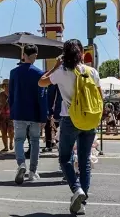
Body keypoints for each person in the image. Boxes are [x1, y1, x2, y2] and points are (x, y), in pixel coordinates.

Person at [38, 39, 103, 215]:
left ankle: (77, 189)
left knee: (65, 158)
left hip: (70, 119)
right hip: (90, 120)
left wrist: (55, 65)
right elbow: (100, 97)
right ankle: (82, 203)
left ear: (64, 55)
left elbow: (41, 82)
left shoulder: (62, 72)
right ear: (81, 53)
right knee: (85, 161)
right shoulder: (92, 72)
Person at [9, 44, 47, 184]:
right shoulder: (39, 73)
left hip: (19, 112)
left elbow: (11, 96)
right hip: (35, 114)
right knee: (35, 141)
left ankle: (21, 164)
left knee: (19, 140)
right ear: (35, 56)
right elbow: (42, 96)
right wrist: (44, 116)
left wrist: (13, 111)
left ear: (23, 55)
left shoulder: (14, 73)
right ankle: (32, 171)